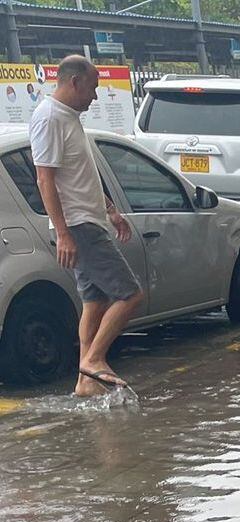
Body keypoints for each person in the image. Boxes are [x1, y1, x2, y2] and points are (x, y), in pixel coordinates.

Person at [31, 55, 143, 398]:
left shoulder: (68, 118)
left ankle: (85, 381)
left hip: (89, 219)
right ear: (74, 82)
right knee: (131, 294)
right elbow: (44, 179)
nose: (95, 96)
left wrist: (110, 209)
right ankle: (94, 360)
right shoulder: (49, 118)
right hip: (79, 225)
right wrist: (63, 233)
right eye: (93, 87)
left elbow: (82, 174)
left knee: (94, 301)